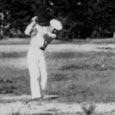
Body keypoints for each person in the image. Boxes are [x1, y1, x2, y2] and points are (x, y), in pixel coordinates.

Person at [24, 16, 63, 100]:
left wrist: (37, 26)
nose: (55, 31)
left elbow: (45, 35)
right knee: (35, 74)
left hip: (41, 53)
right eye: (55, 29)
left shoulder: (52, 35)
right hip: (32, 51)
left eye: (57, 30)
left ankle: (40, 92)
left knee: (44, 74)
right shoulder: (40, 28)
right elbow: (27, 32)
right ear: (51, 26)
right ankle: (36, 95)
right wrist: (33, 23)